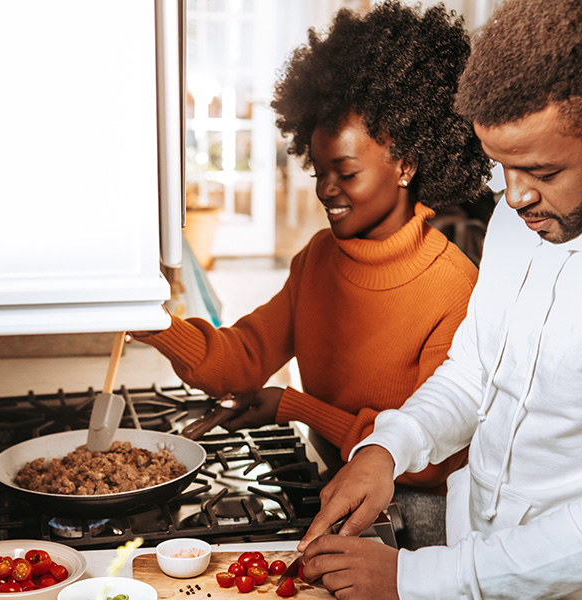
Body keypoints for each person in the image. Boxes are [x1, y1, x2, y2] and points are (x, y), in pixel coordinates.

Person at [133, 2, 490, 497]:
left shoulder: (454, 289)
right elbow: (242, 359)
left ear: (405, 164)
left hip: (414, 507)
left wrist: (294, 406)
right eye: (319, 171)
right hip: (332, 473)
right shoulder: (320, 257)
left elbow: (431, 463)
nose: (325, 189)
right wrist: (154, 322)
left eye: (345, 173)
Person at [297, 0, 582, 598]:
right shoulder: (514, 221)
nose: (515, 196)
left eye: (542, 171)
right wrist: (387, 447)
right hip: (469, 547)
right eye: (501, 167)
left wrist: (423, 578)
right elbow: (475, 370)